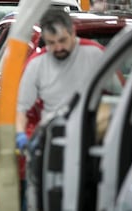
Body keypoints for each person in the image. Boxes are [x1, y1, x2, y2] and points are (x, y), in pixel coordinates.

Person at [16, 9, 108, 149]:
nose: (58, 47)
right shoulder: (36, 64)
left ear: (73, 32)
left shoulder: (95, 54)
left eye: (62, 40)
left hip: (92, 137)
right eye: (51, 43)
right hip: (53, 138)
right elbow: (20, 108)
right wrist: (20, 135)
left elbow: (120, 94)